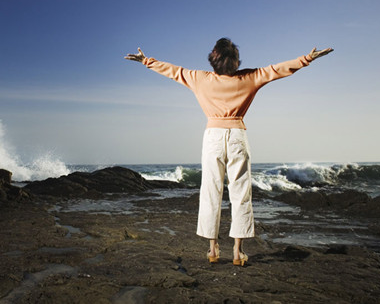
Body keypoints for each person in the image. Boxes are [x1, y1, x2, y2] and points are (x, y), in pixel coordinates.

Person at [125, 39, 333, 266]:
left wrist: (146, 60)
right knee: (240, 193)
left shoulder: (200, 79)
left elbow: (173, 71)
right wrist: (307, 58)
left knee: (210, 190)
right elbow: (277, 70)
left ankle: (213, 249)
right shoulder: (249, 77)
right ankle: (237, 252)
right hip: (237, 136)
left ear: (213, 60)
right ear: (236, 62)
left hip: (213, 136)